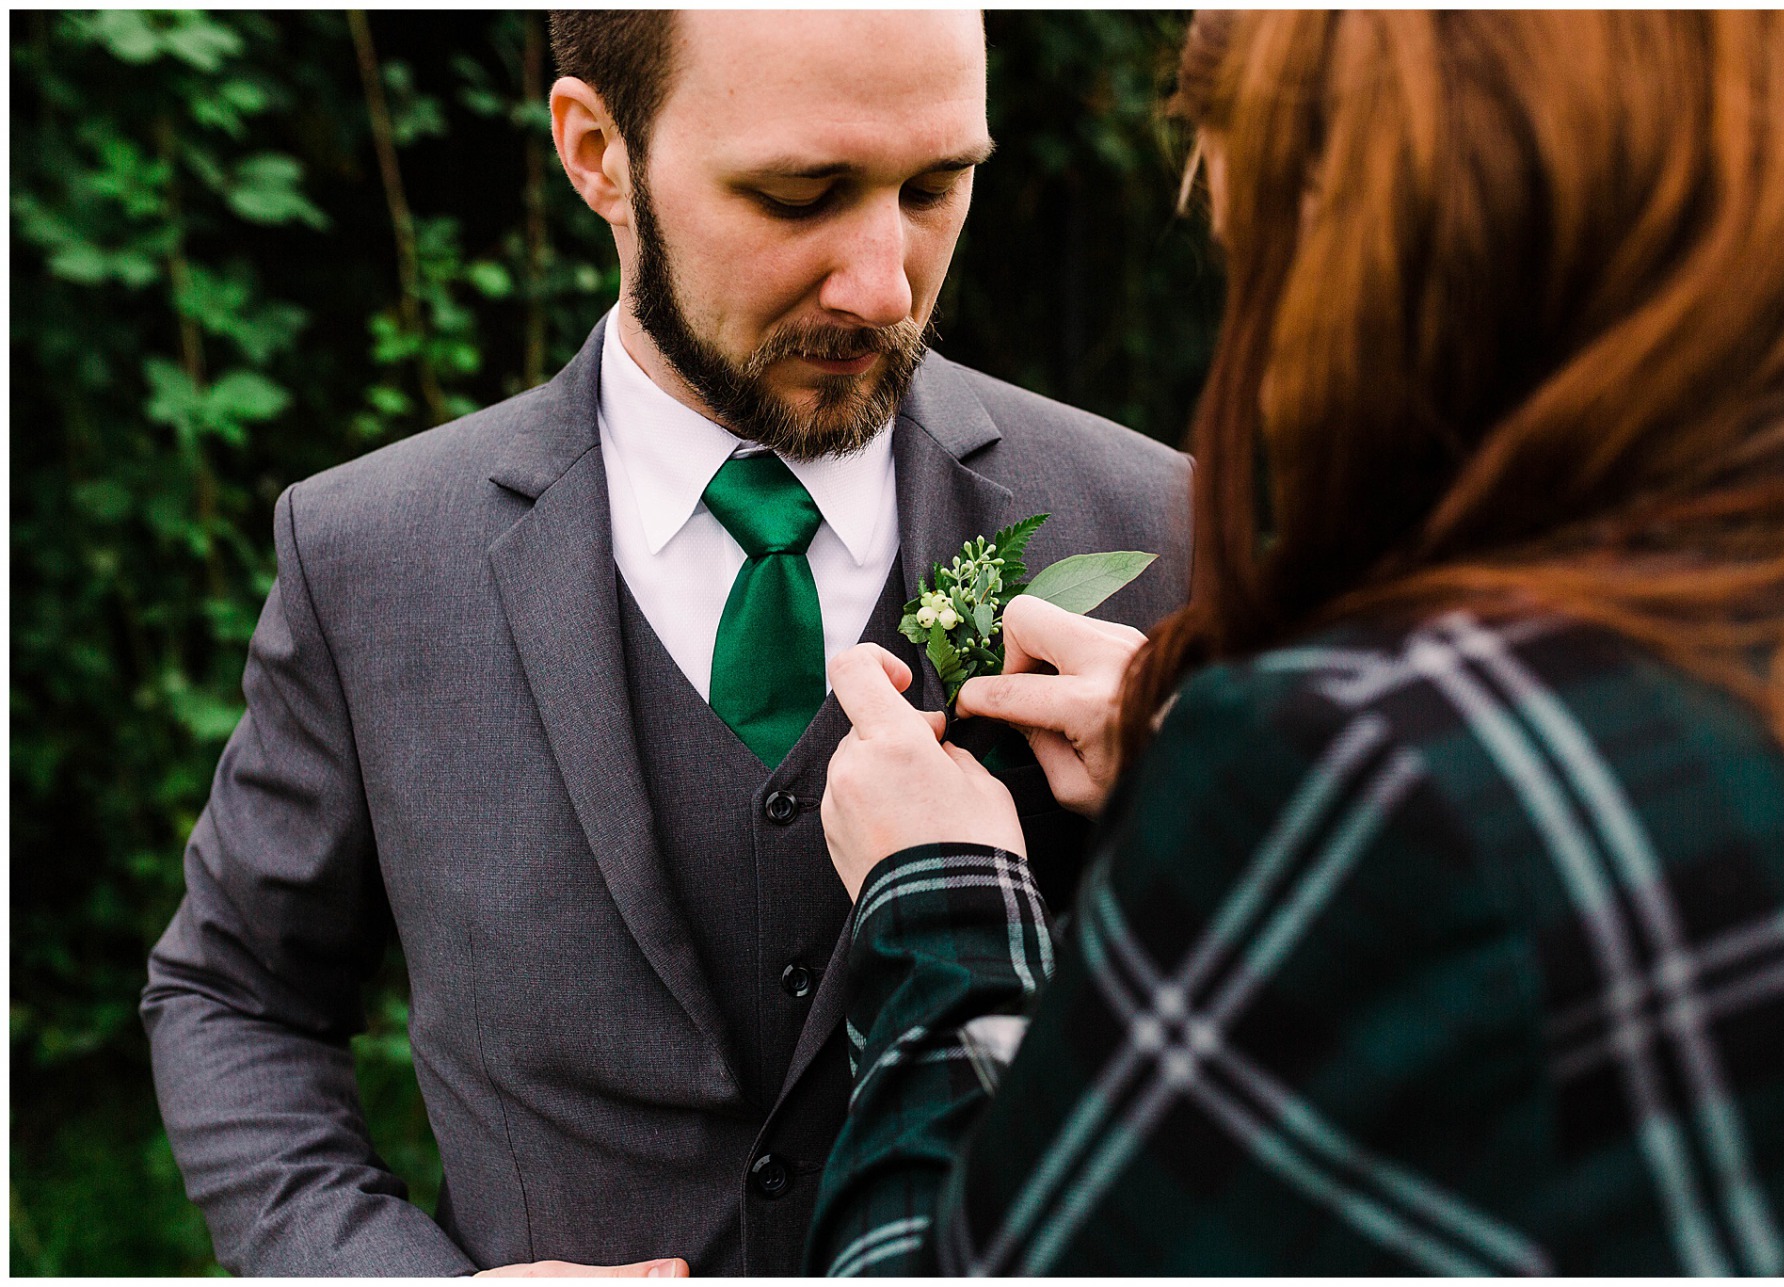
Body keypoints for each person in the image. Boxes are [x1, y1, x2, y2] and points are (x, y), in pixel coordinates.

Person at [808, 9, 1784, 1275]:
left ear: (1419, 251)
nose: (1265, 364)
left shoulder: (1367, 770)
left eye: (1270, 263)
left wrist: (939, 897)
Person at [140, 11, 1191, 1277]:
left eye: (933, 186)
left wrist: (1205, 824)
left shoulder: (1159, 529)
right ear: (597, 153)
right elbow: (235, 997)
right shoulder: (368, 555)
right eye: (800, 194)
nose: (885, 285)